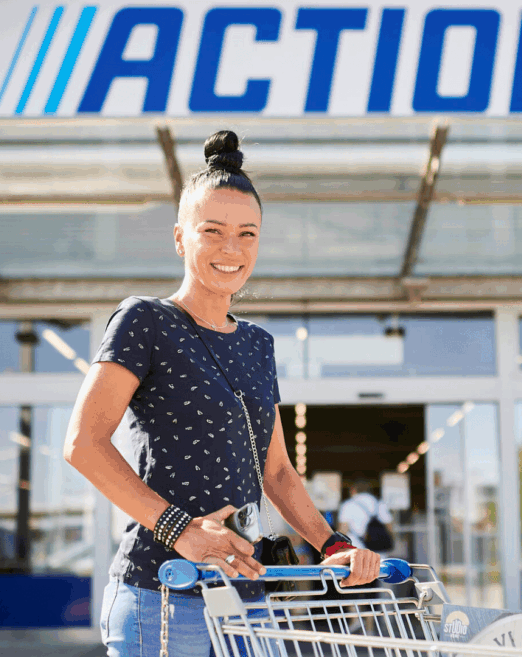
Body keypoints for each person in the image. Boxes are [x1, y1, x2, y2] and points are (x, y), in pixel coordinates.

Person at [64, 130, 381, 657]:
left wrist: (334, 544)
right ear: (180, 237)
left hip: (249, 598)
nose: (231, 249)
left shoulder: (258, 343)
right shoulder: (145, 320)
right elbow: (83, 443)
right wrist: (180, 529)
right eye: (211, 231)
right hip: (163, 594)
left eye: (247, 234)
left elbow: (276, 471)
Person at [337, 478, 394, 555]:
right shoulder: (379, 503)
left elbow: (343, 530)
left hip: (356, 548)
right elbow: (389, 527)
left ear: (353, 490)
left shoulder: (348, 505)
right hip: (378, 549)